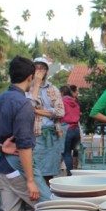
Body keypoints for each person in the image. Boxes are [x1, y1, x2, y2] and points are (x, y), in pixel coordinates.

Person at [0, 56, 40, 211]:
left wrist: (1, 147)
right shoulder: (23, 105)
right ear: (30, 77)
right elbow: (24, 146)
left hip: (0, 169)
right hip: (17, 169)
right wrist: (30, 181)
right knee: (51, 208)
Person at [28, 56, 65, 186]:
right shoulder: (28, 88)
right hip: (35, 134)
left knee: (50, 171)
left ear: (46, 71)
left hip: (53, 133)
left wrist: (38, 111)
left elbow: (60, 112)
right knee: (35, 169)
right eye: (37, 68)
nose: (39, 71)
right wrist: (36, 85)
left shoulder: (53, 89)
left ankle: (48, 199)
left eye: (42, 68)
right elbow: (28, 108)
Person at [60, 85, 81, 175]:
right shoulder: (75, 101)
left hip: (67, 128)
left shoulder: (61, 101)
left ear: (61, 93)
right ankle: (76, 170)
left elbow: (58, 114)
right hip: (76, 129)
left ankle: (70, 174)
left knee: (66, 153)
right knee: (76, 151)